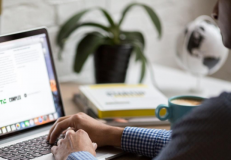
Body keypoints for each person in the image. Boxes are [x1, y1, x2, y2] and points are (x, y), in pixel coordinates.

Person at [47, 0, 231, 159]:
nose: (214, 11)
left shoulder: (222, 114)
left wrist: (76, 154)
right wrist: (111, 133)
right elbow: (195, 142)